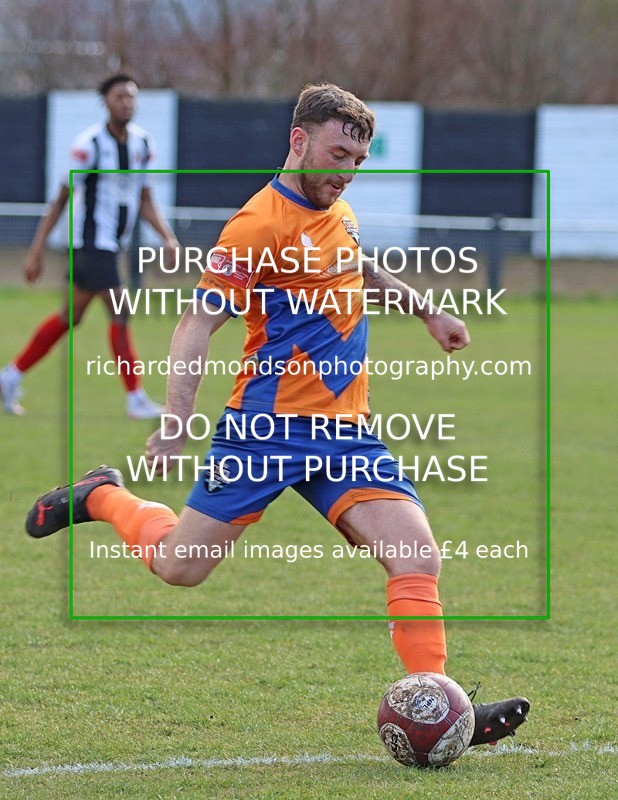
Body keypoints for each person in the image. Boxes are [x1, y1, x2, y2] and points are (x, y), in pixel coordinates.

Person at [25, 83, 529, 747]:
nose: (345, 171)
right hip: (264, 433)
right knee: (180, 568)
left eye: (357, 159)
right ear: (299, 142)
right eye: (337, 153)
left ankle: (444, 708)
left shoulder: (338, 212)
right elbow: (196, 323)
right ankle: (104, 496)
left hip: (346, 433)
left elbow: (359, 267)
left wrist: (427, 310)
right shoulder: (256, 227)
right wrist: (177, 420)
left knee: (416, 556)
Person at [0, 73, 179, 419]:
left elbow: (144, 198)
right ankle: (135, 398)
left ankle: (10, 376)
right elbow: (60, 199)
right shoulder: (90, 144)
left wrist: (167, 236)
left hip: (113, 246)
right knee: (120, 310)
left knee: (71, 316)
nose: (126, 102)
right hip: (92, 245)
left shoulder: (142, 144)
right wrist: (36, 251)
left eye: (131, 97)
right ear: (105, 102)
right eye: (119, 97)